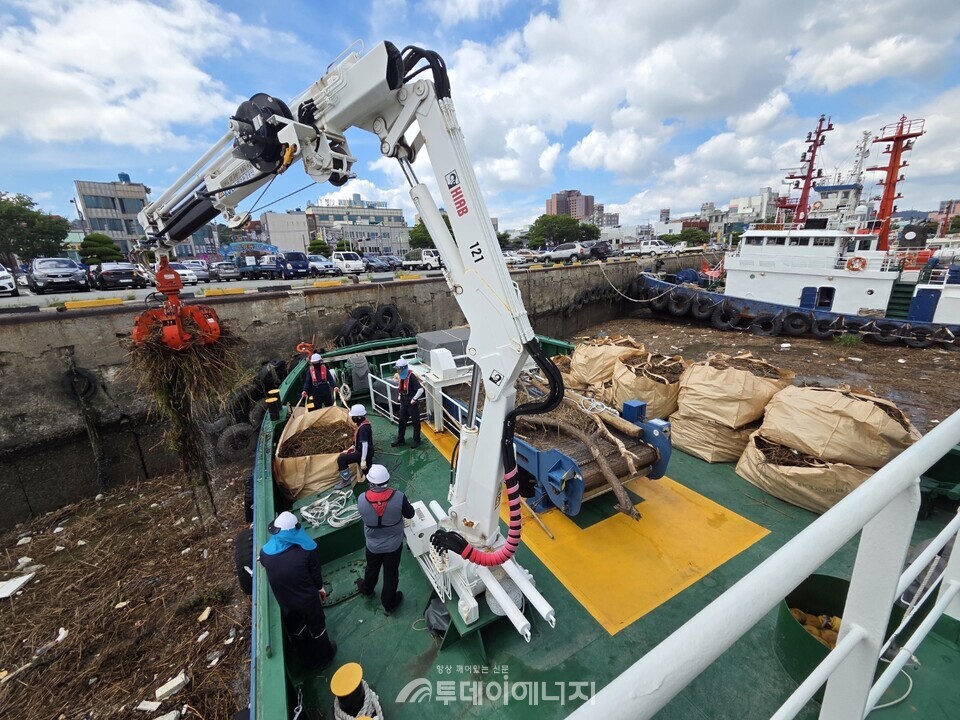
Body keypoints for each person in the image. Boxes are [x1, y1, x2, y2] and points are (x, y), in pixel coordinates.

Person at [258, 511, 337, 668]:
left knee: (298, 630)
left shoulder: (265, 553)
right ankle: (325, 655)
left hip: (285, 603)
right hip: (307, 600)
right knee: (318, 627)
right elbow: (315, 575)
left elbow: (266, 566)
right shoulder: (306, 551)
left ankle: (306, 659)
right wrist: (320, 589)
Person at [355, 464, 415, 614]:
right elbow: (410, 514)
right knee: (391, 573)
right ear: (387, 480)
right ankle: (389, 603)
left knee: (371, 568)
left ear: (370, 483)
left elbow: (364, 514)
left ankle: (367, 589)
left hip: (372, 545)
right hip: (393, 545)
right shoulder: (399, 497)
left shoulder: (362, 499)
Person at [335, 404, 374, 490]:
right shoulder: (362, 423)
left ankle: (346, 481)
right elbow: (359, 440)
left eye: (353, 416)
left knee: (341, 459)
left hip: (364, 453)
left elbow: (365, 444)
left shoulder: (363, 428)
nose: (352, 418)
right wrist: (352, 447)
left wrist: (363, 460)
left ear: (358, 417)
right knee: (366, 471)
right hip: (362, 451)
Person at [391, 358, 423, 449]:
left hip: (411, 403)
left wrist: (414, 399)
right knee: (402, 421)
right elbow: (401, 387)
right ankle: (400, 439)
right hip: (404, 402)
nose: (397, 371)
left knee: (415, 422)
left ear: (403, 368)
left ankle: (417, 439)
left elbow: (420, 390)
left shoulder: (411, 376)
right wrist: (399, 396)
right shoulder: (401, 376)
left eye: (399, 369)